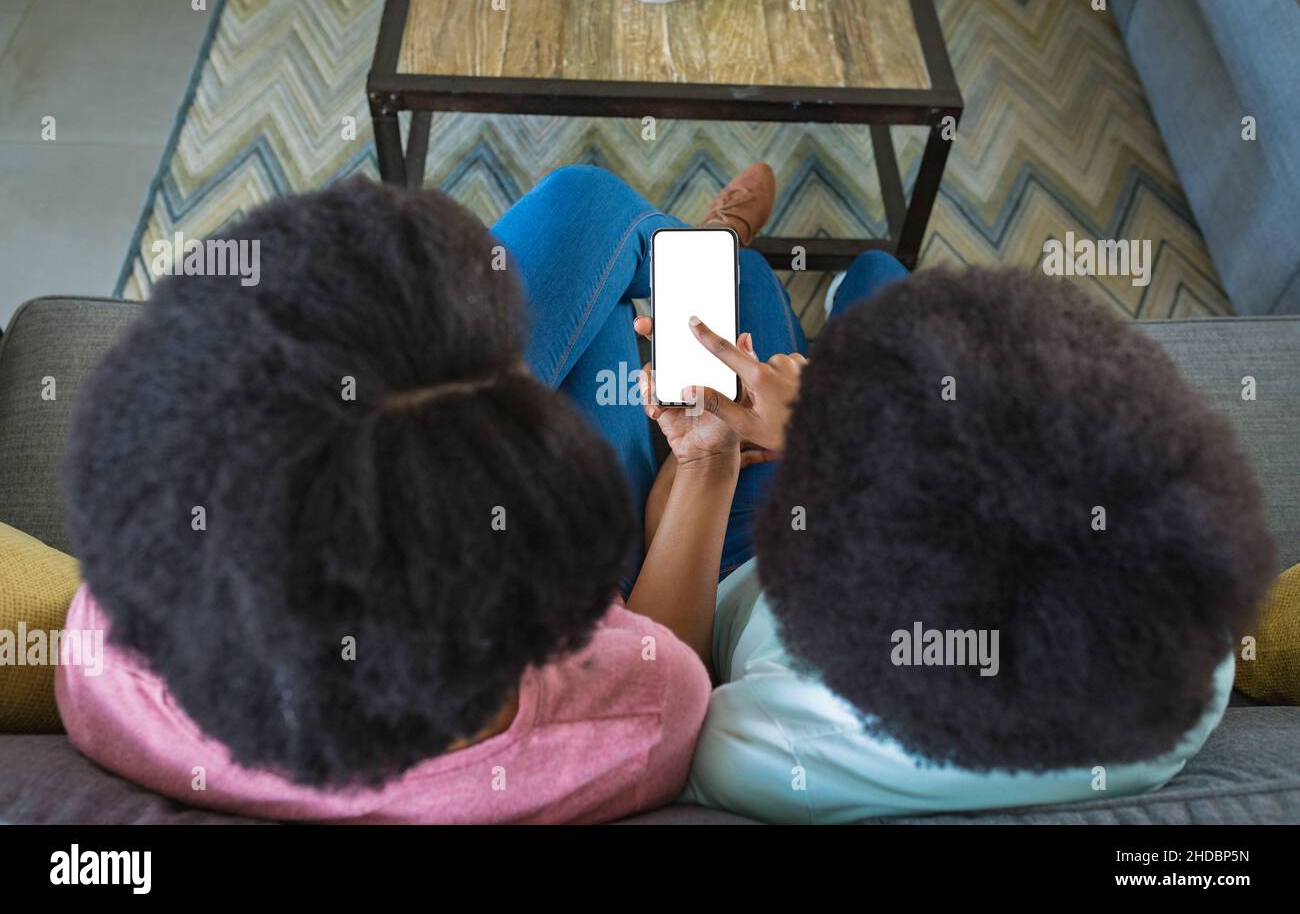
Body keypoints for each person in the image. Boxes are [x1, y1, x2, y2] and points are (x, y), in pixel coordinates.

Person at [55, 172, 739, 824]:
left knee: (599, 254)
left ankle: (709, 249)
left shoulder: (114, 650)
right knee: (621, 242)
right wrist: (707, 467)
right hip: (622, 562)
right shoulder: (633, 722)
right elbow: (665, 658)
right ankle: (725, 249)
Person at [637, 240, 1276, 821]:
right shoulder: (1186, 657)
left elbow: (648, 704)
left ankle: (765, 243)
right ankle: (860, 282)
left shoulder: (797, 736)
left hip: (737, 554)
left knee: (747, 280)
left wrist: (706, 463)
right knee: (885, 288)